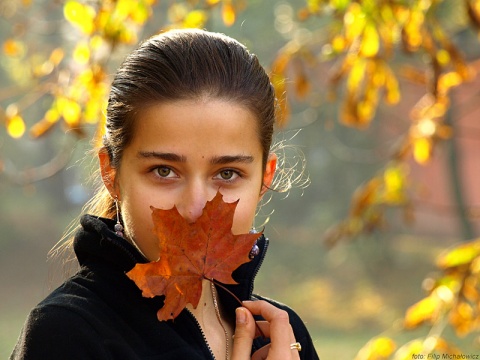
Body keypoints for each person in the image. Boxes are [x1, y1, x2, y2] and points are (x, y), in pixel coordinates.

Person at [11, 28, 319, 360]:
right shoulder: (67, 334)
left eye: (227, 174)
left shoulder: (282, 338)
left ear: (263, 179)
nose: (195, 208)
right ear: (111, 173)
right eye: (164, 171)